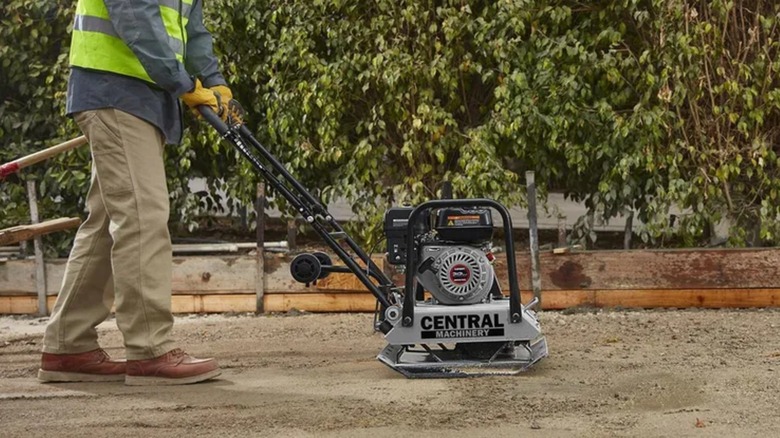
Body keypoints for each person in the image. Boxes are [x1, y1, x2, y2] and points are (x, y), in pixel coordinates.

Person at [38, 0, 240, 385]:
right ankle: (149, 350)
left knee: (106, 222)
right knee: (142, 216)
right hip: (115, 88)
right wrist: (182, 82)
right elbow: (134, 16)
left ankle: (68, 345)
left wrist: (214, 82)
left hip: (141, 97)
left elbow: (191, 28)